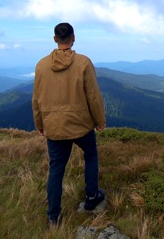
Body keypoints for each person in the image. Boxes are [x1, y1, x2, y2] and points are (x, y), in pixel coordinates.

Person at [32, 22, 107, 226]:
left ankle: (53, 216)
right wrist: (99, 120)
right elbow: (93, 96)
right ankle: (92, 196)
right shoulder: (83, 62)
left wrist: (40, 124)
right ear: (73, 37)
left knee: (56, 169)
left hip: (54, 127)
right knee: (90, 154)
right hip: (81, 125)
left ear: (55, 39)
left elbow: (36, 98)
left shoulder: (41, 65)